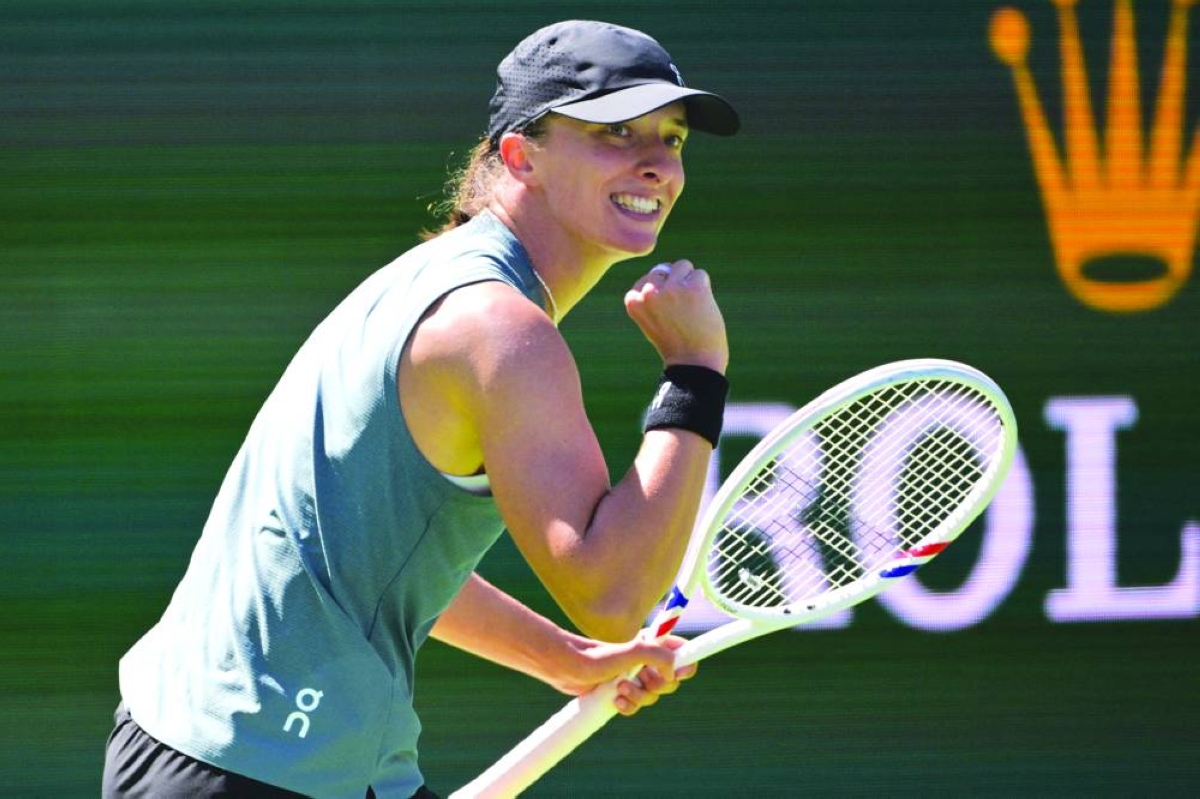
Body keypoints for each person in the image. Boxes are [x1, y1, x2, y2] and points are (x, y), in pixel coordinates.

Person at [102, 19, 739, 799]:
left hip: (191, 737)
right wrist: (696, 371)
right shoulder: (500, 329)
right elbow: (613, 595)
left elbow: (356, 555)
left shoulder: (430, 280)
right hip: (266, 764)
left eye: (671, 139)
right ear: (520, 154)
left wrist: (563, 660)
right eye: (616, 131)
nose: (656, 162)